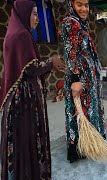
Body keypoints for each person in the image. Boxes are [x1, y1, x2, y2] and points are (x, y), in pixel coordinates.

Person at [0, 0, 65, 179]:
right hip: (23, 104)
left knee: (22, 144)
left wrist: (49, 63)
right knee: (27, 143)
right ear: (24, 13)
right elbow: (31, 69)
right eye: (35, 14)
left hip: (18, 102)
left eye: (38, 14)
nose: (37, 19)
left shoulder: (15, 33)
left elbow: (27, 66)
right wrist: (51, 62)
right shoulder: (22, 35)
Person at [60, 0, 107, 163]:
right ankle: (80, 148)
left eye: (86, 5)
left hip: (88, 80)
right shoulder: (70, 23)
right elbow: (70, 52)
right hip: (80, 79)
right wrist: (75, 79)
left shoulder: (80, 24)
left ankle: (90, 145)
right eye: (79, 4)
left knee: (89, 110)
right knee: (79, 112)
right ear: (71, 4)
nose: (84, 8)